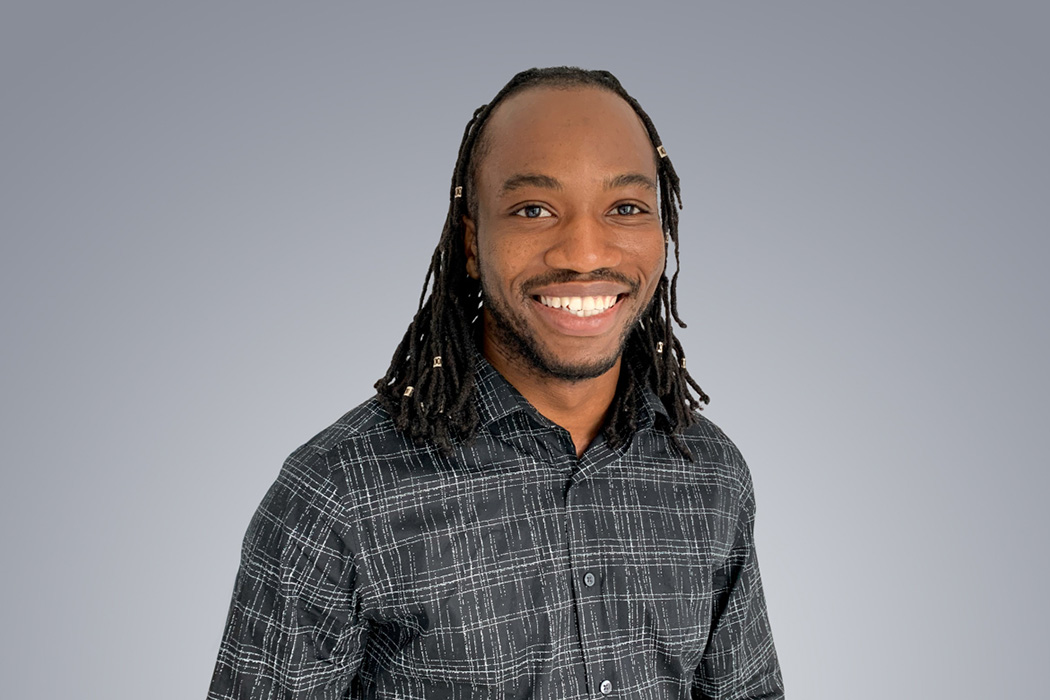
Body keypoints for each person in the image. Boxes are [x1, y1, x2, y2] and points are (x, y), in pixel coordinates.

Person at [208, 66, 783, 699]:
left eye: (625, 207)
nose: (585, 252)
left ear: (662, 230)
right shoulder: (334, 497)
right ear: (473, 242)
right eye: (533, 209)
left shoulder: (709, 474)